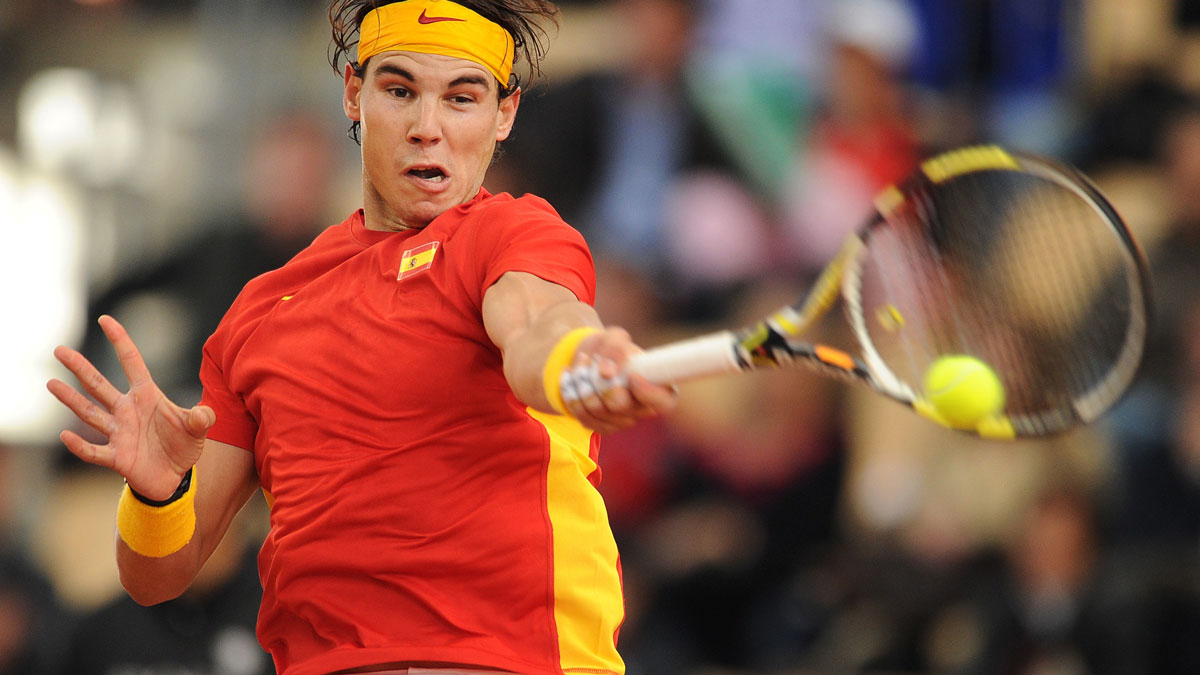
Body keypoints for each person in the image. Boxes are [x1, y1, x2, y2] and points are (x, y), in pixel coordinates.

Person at [45, 1, 678, 674]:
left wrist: (579, 359)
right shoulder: (258, 313)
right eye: (400, 91)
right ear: (354, 93)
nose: (427, 128)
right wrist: (157, 492)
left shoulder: (512, 235)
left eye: (461, 99)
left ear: (505, 115)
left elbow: (535, 326)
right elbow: (156, 576)